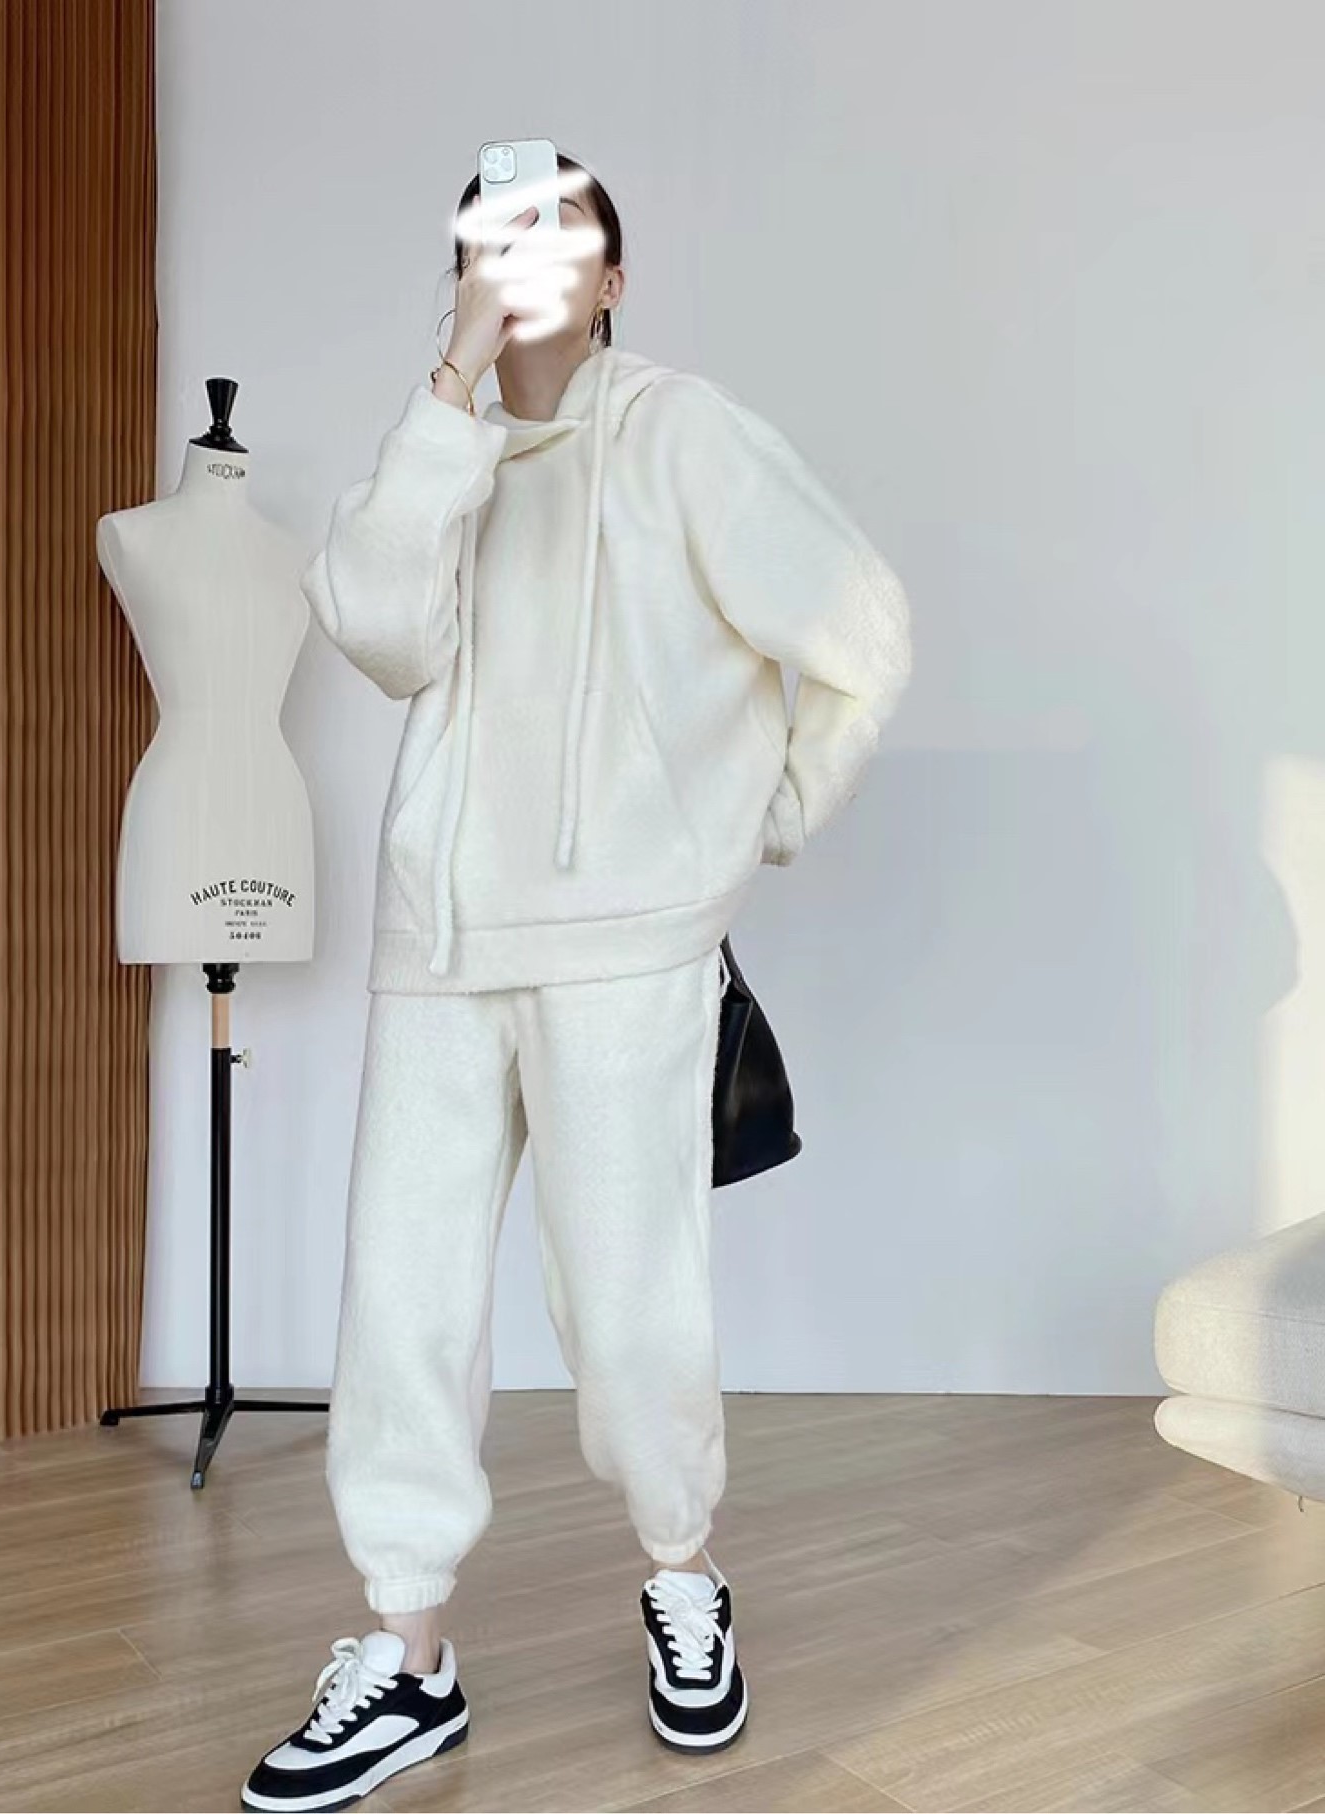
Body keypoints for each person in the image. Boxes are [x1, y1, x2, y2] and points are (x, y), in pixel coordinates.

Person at [241, 154, 912, 1812]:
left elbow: (864, 625)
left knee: (628, 1311)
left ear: (615, 280)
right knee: (400, 1313)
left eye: (565, 232)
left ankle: (684, 1569)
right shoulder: (440, 448)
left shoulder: (682, 434)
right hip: (442, 947)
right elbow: (377, 631)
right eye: (497, 236)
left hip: (624, 949)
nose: (532, 254)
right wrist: (453, 381)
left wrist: (759, 816)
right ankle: (407, 1652)